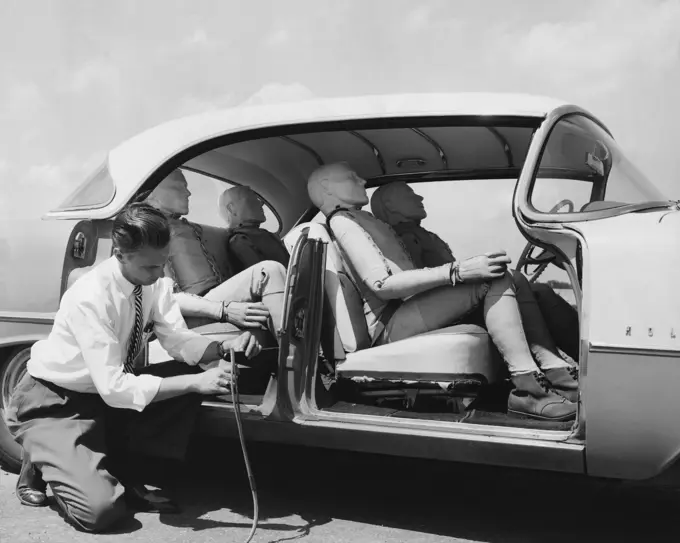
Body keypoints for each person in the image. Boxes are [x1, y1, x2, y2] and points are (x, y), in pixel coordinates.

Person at [6, 203, 262, 533]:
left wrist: (222, 346)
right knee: (100, 513)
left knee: (187, 381)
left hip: (104, 396)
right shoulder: (90, 296)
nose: (159, 275)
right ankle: (41, 452)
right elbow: (114, 388)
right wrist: (195, 383)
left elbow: (177, 339)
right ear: (119, 253)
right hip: (58, 402)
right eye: (149, 267)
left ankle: (123, 467)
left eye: (163, 264)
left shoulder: (152, 281)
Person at [308, 162, 579, 422]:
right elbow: (383, 285)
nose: (362, 181)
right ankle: (528, 390)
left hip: (406, 311)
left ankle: (559, 375)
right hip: (389, 324)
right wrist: (458, 271)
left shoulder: (361, 219)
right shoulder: (343, 221)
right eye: (352, 176)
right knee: (493, 281)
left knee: (510, 278)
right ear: (327, 187)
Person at [370, 181, 580, 362]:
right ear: (389, 205)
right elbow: (414, 284)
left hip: (454, 304)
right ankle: (568, 361)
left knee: (531, 290)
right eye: (409, 193)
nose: (420, 197)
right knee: (538, 292)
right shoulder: (403, 238)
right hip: (443, 311)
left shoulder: (419, 234)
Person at [145, 170, 287, 341]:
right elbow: (162, 299)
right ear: (152, 196)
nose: (188, 192)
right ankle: (294, 362)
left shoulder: (187, 229)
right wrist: (224, 310)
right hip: (189, 315)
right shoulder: (147, 234)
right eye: (178, 187)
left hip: (211, 300)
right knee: (268, 271)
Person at [218, 185, 289, 274]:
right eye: (251, 200)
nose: (261, 203)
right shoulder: (240, 241)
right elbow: (264, 278)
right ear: (231, 209)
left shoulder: (264, 234)